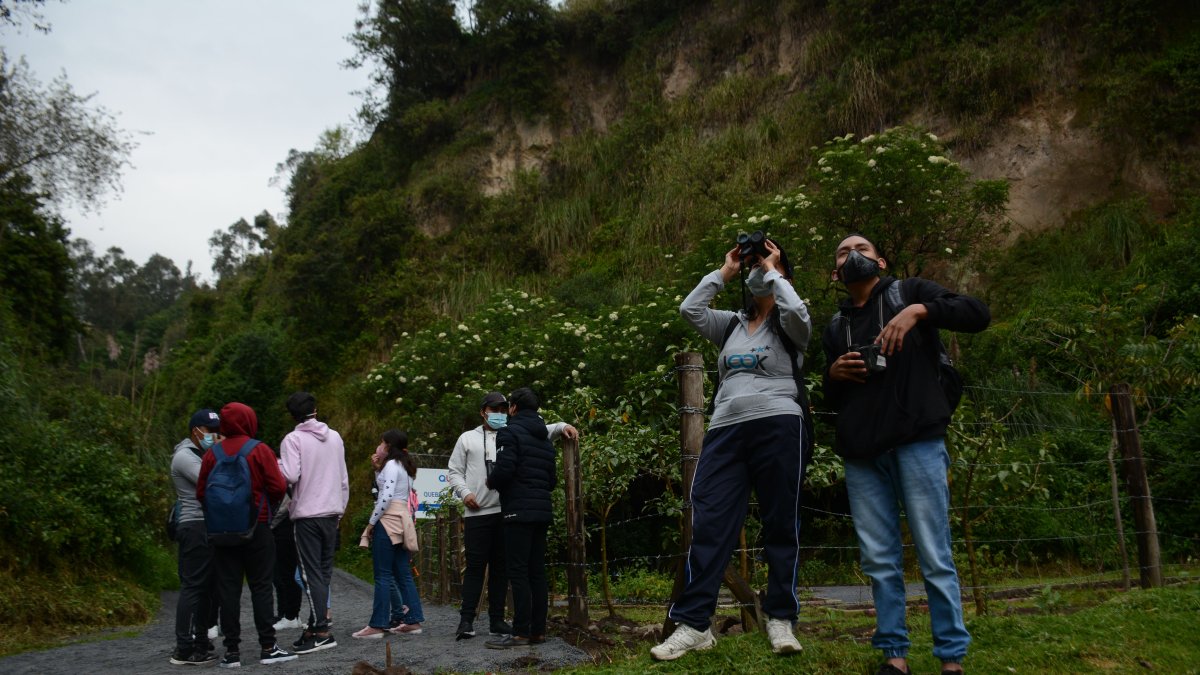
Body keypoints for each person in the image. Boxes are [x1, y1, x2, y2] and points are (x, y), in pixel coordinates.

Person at [821, 234, 989, 675]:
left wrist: (919, 311)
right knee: (879, 559)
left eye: (862, 248)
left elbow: (977, 313)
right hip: (861, 454)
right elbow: (833, 399)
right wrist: (833, 373)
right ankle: (894, 658)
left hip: (917, 441)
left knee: (934, 553)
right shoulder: (835, 327)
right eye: (843, 252)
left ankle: (951, 659)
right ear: (835, 274)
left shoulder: (908, 292)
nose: (853, 254)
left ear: (881, 260)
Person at [653, 234, 812, 661]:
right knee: (710, 524)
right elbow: (690, 310)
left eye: (766, 263)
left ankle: (780, 618)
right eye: (755, 265)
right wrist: (725, 272)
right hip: (725, 431)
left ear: (782, 274)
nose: (758, 269)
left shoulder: (791, 324)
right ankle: (695, 624)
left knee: (780, 522)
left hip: (779, 425)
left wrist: (775, 271)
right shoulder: (731, 325)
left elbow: (798, 311)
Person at [447, 391, 578, 640]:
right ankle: (466, 620)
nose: (498, 414)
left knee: (502, 569)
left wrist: (563, 426)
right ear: (482, 411)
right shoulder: (467, 439)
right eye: (493, 409)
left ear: (511, 410)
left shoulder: (515, 430)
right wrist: (464, 493)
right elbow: (454, 470)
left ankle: (497, 620)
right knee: (475, 566)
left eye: (503, 409)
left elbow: (545, 428)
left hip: (507, 511)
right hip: (477, 512)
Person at [196, 402, 296, 668]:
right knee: (261, 586)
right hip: (256, 527)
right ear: (249, 421)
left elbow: (201, 493)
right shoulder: (258, 450)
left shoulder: (212, 454)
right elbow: (277, 487)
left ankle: (231, 652)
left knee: (228, 589)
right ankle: (267, 646)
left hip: (221, 533)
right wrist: (262, 505)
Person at [483, 388, 559, 649]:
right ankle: (537, 631)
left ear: (514, 408)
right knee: (537, 572)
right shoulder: (545, 439)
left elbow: (505, 469)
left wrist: (490, 481)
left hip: (518, 510)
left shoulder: (509, 432)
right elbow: (552, 481)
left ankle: (520, 633)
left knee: (518, 572)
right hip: (541, 511)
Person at [280, 391, 349, 654]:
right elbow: (343, 478)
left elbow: (290, 474)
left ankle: (322, 631)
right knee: (323, 573)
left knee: (310, 576)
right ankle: (313, 628)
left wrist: (275, 467)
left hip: (307, 514)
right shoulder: (335, 437)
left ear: (293, 416)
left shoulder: (293, 439)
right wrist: (340, 511)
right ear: (316, 410)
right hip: (332, 512)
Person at [352, 429, 425, 638]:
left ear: (388, 447)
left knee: (382, 574)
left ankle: (377, 624)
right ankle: (413, 620)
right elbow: (390, 488)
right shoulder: (403, 466)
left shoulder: (392, 465)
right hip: (403, 519)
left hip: (388, 519)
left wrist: (371, 523)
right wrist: (377, 470)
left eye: (382, 443)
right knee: (403, 573)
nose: (379, 446)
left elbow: (385, 498)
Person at [169, 408, 222, 666]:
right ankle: (184, 648)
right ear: (196, 431)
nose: (215, 436)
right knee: (193, 587)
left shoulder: (202, 453)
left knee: (208, 590)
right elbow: (214, 480)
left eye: (217, 431)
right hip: (194, 526)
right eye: (211, 431)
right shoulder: (185, 456)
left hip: (207, 526)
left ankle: (201, 642)